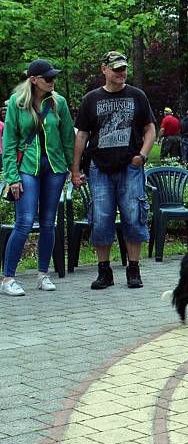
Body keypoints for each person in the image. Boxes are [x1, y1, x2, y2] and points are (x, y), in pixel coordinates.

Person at [71, 51, 156, 290]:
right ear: (104, 70)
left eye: (124, 69)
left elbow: (150, 129)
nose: (121, 73)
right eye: (116, 69)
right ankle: (104, 270)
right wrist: (75, 169)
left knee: (133, 215)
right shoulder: (91, 99)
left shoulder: (137, 96)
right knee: (101, 217)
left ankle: (133, 269)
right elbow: (82, 135)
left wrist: (142, 155)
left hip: (130, 165)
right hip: (100, 167)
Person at [1, 59, 75, 296]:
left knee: (48, 223)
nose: (53, 81)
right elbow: (10, 141)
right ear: (34, 80)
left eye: (54, 77)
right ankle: (8, 278)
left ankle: (43, 274)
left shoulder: (59, 102)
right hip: (27, 167)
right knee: (23, 221)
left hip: (54, 167)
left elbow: (68, 140)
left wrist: (72, 170)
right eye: (48, 78)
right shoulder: (17, 102)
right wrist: (12, 177)